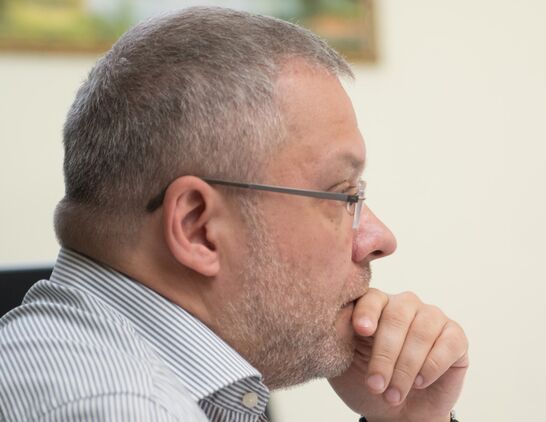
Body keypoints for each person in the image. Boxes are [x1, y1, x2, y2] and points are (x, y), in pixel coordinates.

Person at [0, 7, 468, 422]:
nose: (380, 238)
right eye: (343, 197)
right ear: (198, 228)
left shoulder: (135, 371)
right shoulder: (121, 407)